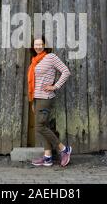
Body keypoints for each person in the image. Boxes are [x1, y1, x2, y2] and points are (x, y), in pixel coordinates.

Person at [27, 35, 72, 167]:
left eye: (40, 44)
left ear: (45, 45)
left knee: (40, 127)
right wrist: (33, 100)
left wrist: (55, 86)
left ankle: (64, 149)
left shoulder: (51, 57)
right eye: (36, 45)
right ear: (33, 46)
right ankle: (47, 157)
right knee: (40, 128)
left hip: (45, 98)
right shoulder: (35, 60)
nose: (38, 47)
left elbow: (66, 71)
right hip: (36, 97)